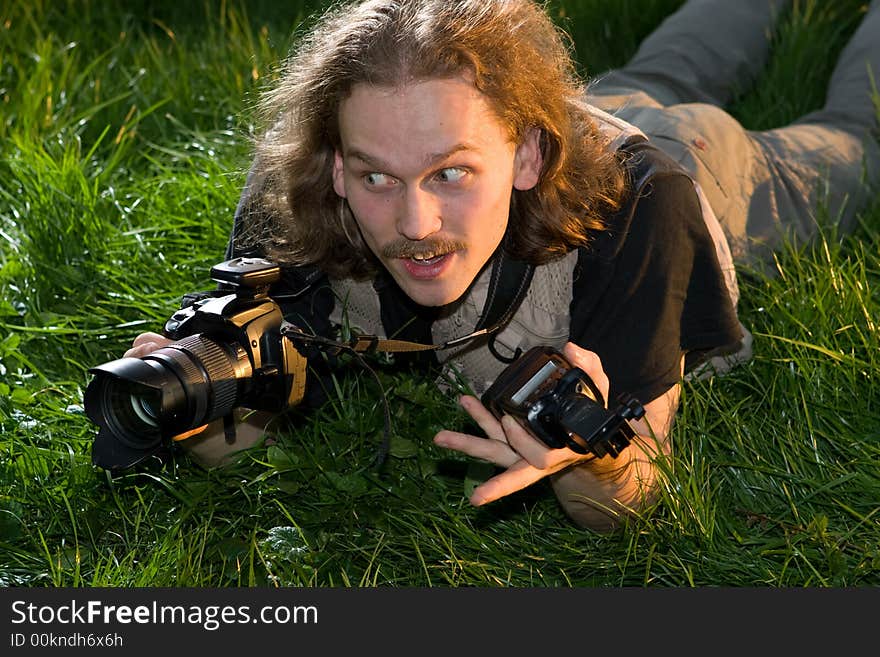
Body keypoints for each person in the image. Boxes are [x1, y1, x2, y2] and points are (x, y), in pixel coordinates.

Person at [123, 0, 880, 531]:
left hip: (702, 167)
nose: (416, 227)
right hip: (577, 114)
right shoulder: (297, 195)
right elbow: (251, 428)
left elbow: (636, 488)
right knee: (671, 65)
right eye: (378, 176)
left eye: (450, 173)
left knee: (856, 135)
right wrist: (191, 404)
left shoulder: (637, 215)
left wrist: (595, 466)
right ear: (336, 165)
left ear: (527, 156)